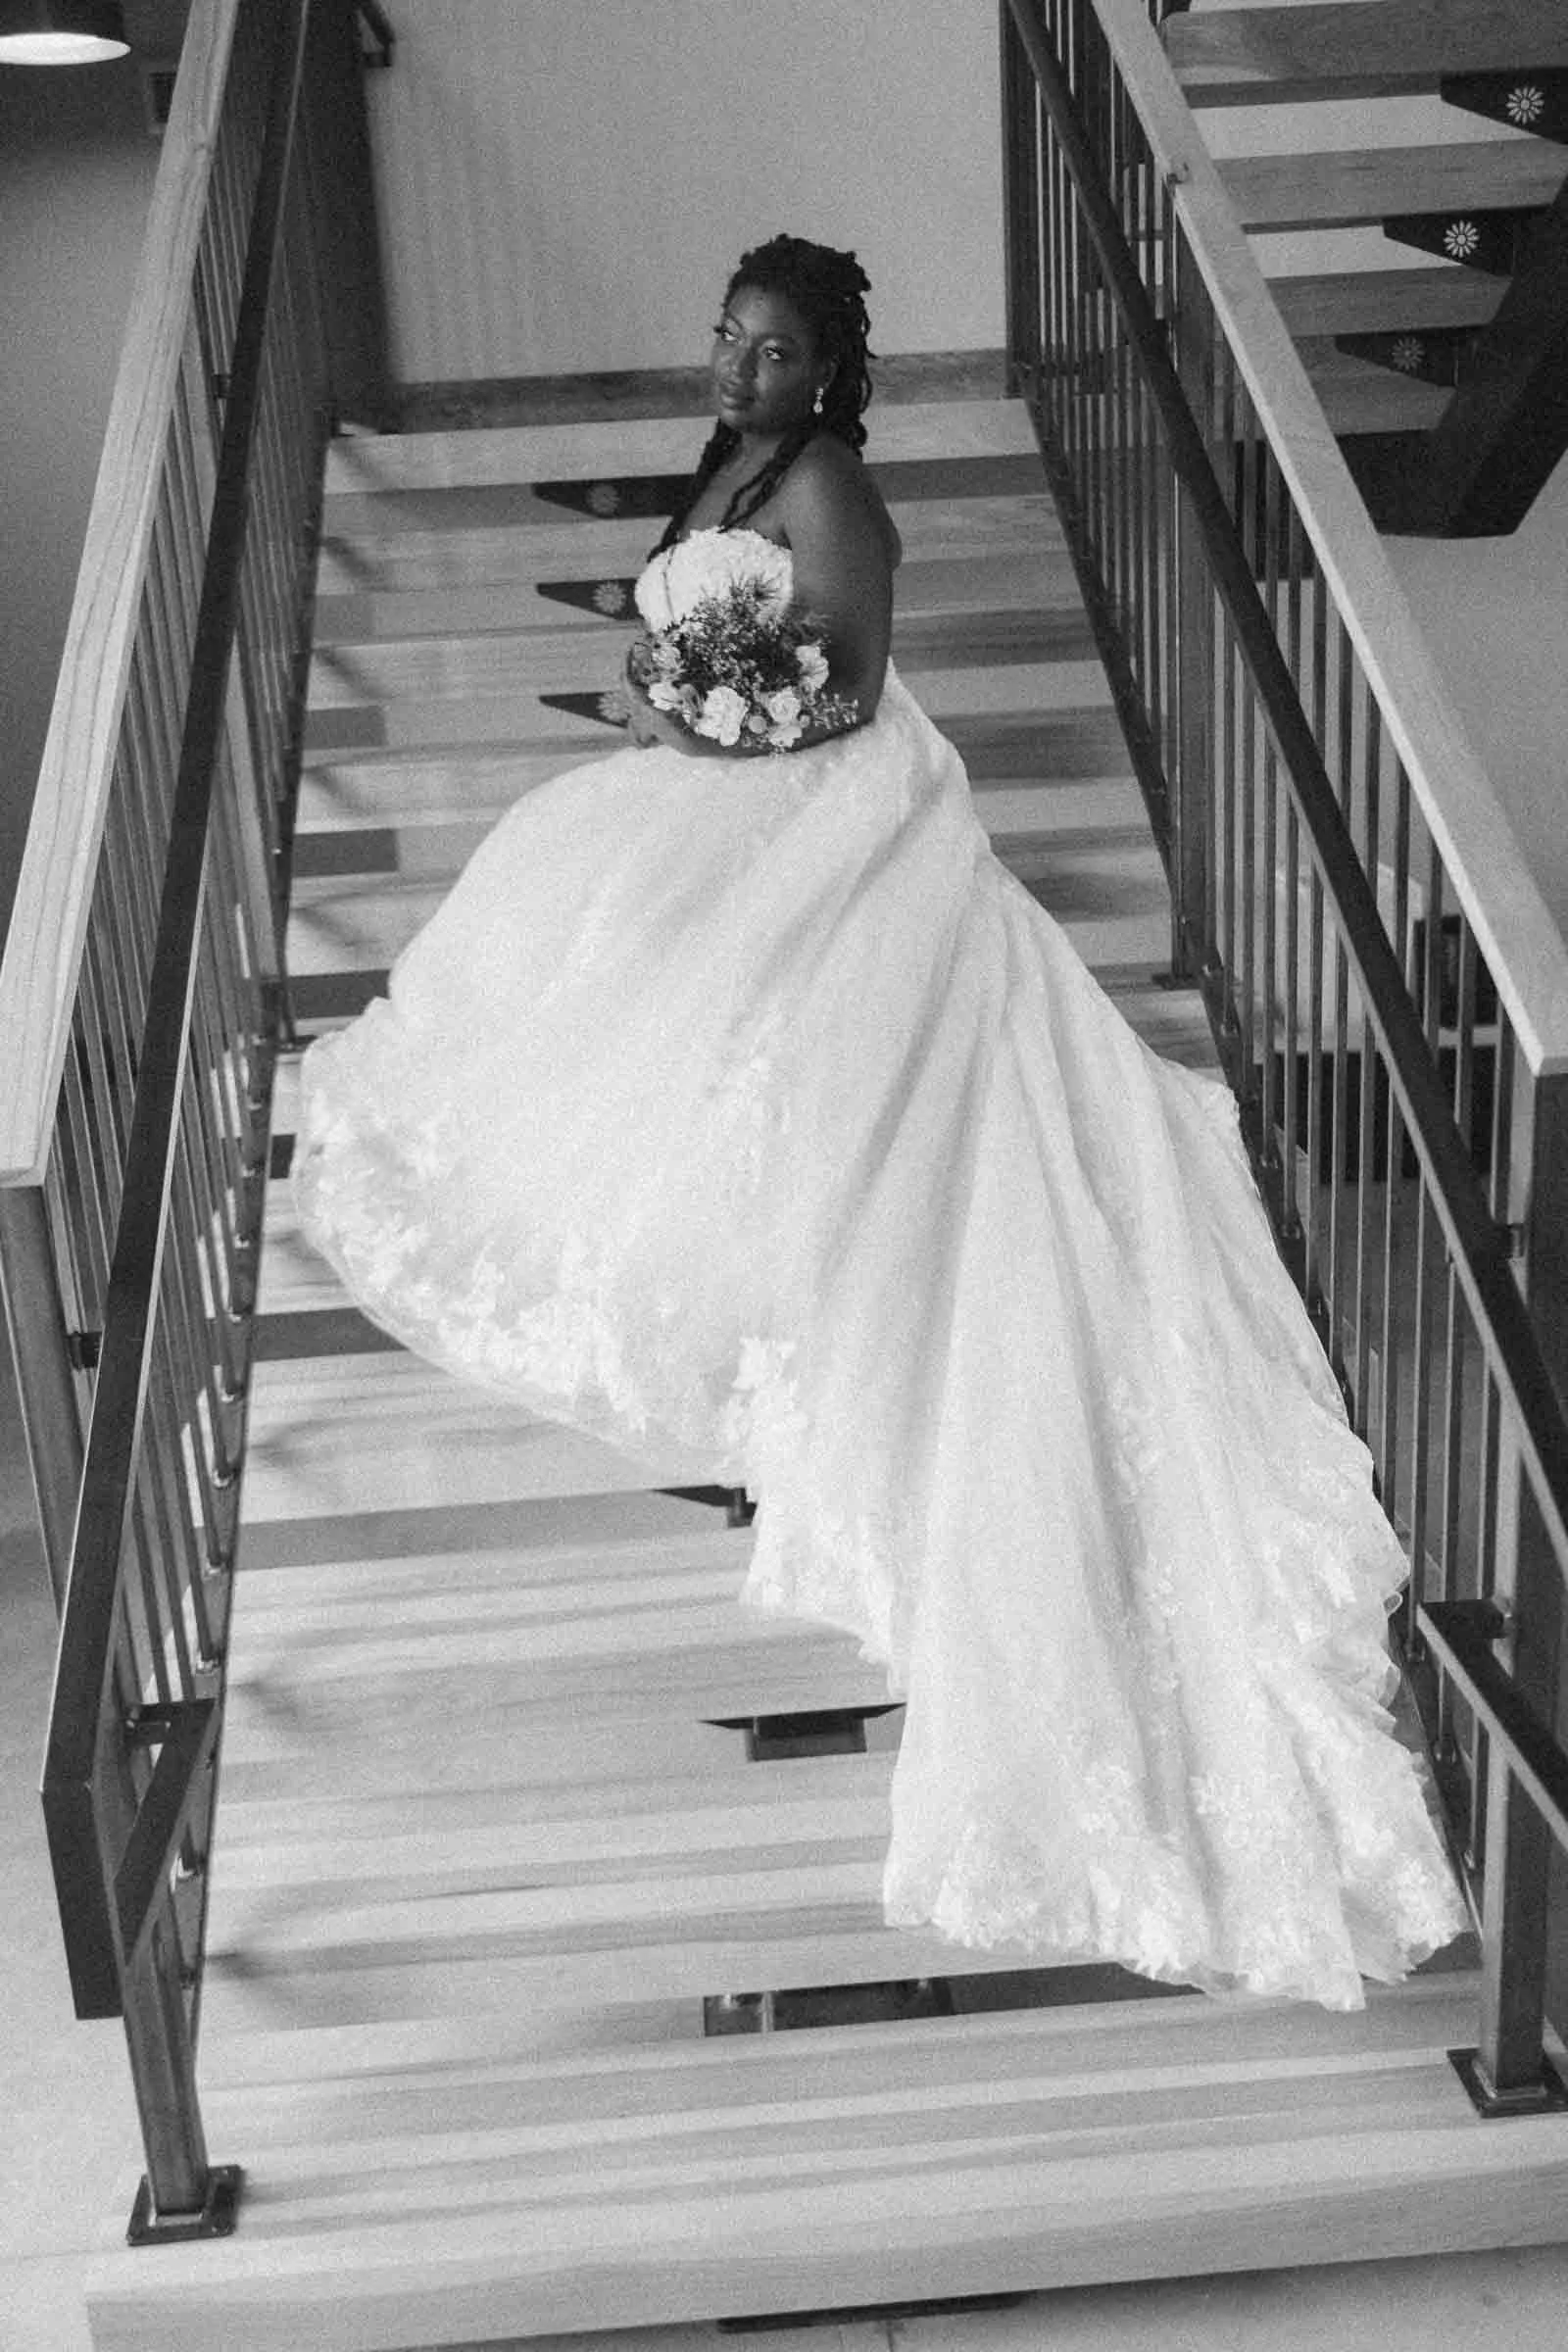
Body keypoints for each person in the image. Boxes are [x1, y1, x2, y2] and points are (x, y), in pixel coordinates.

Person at [295, 235, 1464, 2009]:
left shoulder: (833, 483)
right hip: (721, 788)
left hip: (830, 803)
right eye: (729, 338)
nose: (738, 369)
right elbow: (705, 634)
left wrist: (697, 706)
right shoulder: (736, 470)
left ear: (824, 375)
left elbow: (836, 685)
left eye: (772, 352)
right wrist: (667, 695)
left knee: (785, 1054)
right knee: (580, 963)